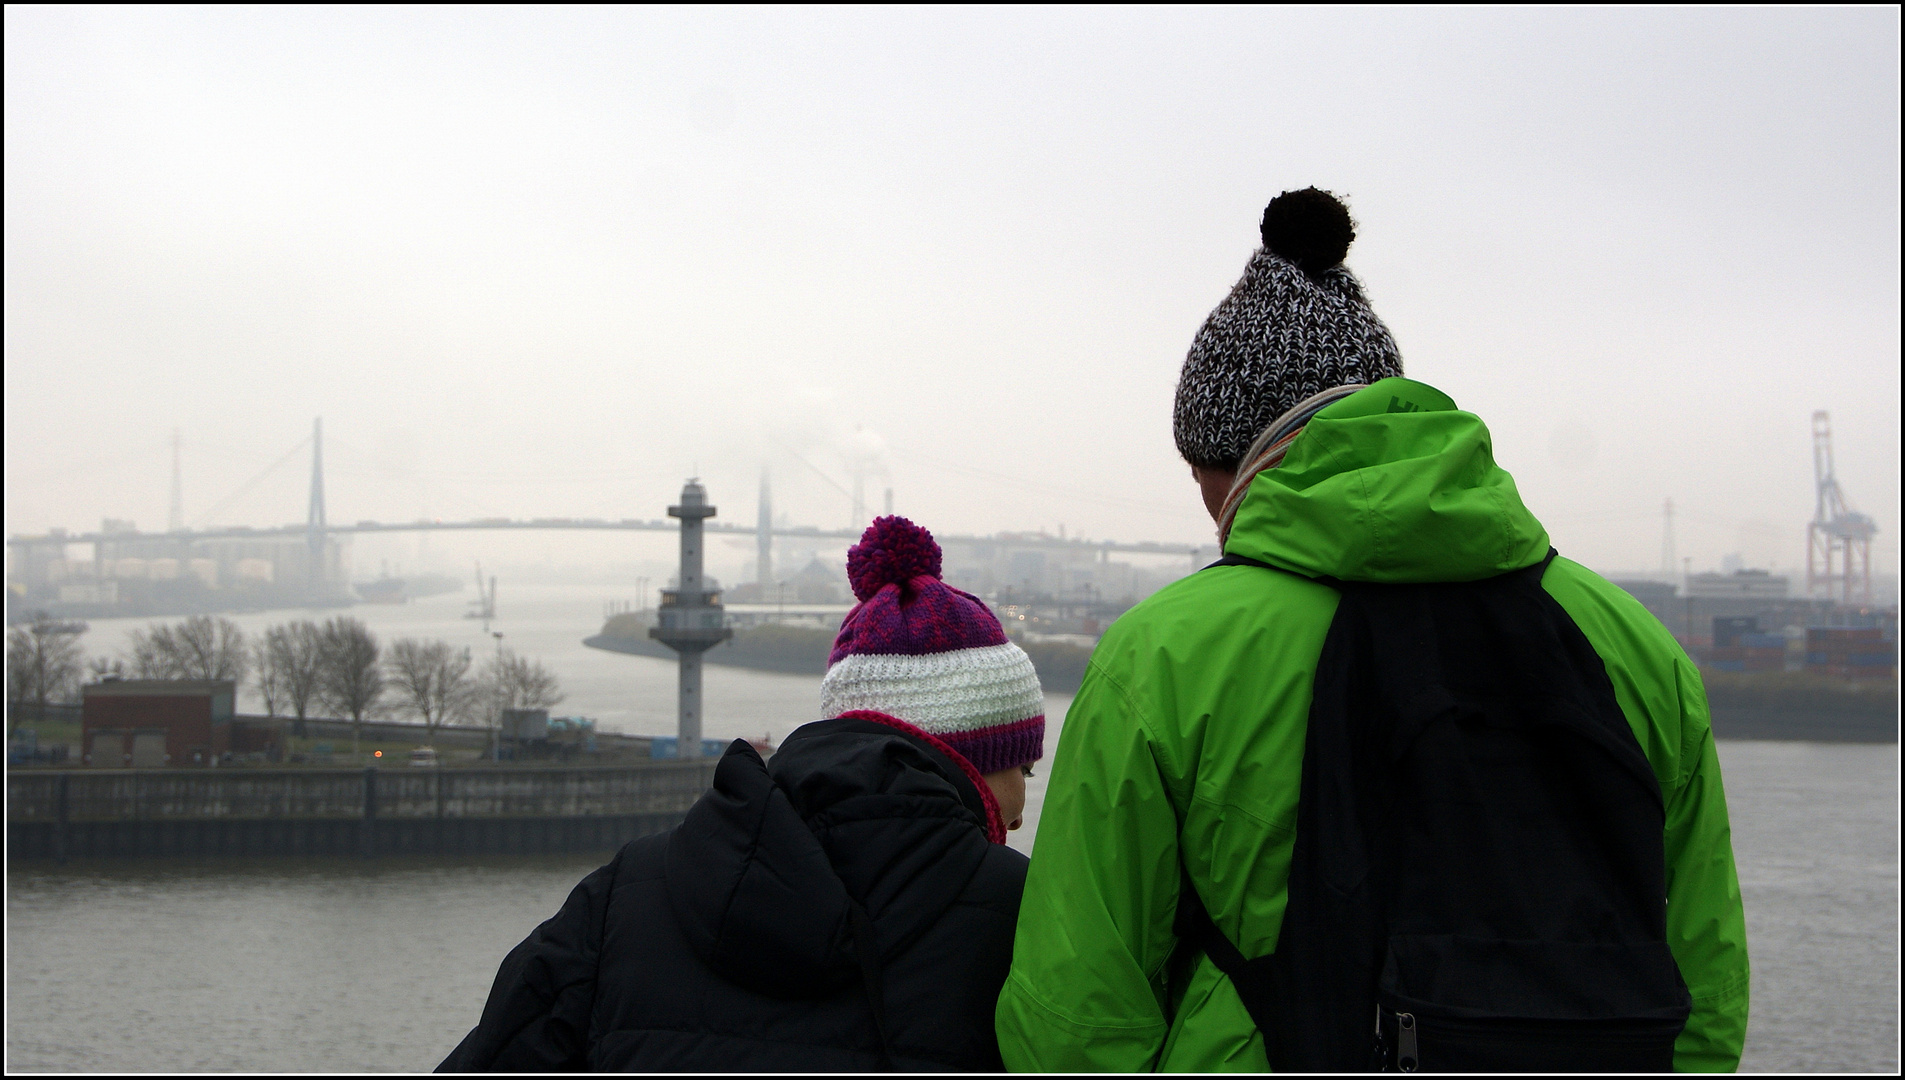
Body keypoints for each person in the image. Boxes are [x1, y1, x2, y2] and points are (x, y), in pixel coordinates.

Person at [995, 188, 1750, 1071]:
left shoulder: (1165, 653)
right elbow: (1704, 980)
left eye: (1198, 476)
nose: (1208, 515)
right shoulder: (1634, 645)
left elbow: (1074, 1009)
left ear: (1240, 460)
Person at [440, 515, 1044, 1072]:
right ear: (970, 760)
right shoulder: (1019, 916)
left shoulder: (626, 892)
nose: (1019, 812)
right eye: (1023, 769)